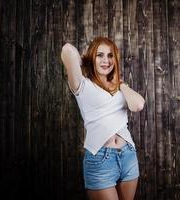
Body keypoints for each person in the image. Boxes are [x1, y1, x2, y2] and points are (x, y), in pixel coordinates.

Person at [61, 36, 145, 200]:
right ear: (92, 57)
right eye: (100, 55)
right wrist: (86, 61)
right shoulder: (82, 84)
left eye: (110, 55)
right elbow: (67, 50)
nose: (106, 60)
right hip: (100, 158)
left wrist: (120, 84)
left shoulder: (121, 87)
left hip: (128, 155)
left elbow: (138, 105)